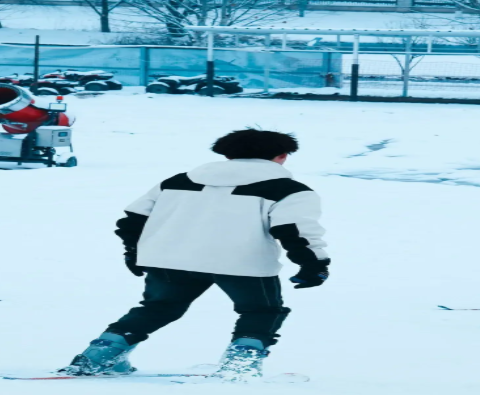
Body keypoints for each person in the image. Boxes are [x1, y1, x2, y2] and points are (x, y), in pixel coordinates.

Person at [60, 129, 330, 380]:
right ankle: (240, 365)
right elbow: (294, 231)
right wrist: (312, 264)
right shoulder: (291, 191)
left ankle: (98, 357)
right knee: (262, 310)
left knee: (158, 308)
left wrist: (133, 251)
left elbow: (132, 220)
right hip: (242, 263)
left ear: (227, 155)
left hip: (169, 259)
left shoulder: (177, 182)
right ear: (282, 156)